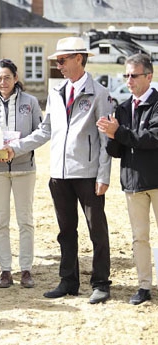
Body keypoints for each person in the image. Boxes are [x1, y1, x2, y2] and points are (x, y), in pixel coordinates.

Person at [5, 37, 113, 304]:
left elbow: (105, 141)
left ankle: (101, 283)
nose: (59, 65)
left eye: (62, 60)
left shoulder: (99, 94)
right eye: (57, 61)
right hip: (59, 175)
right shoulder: (55, 92)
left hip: (88, 175)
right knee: (66, 231)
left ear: (79, 58)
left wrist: (103, 175)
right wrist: (16, 147)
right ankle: (68, 281)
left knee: (96, 230)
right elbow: (45, 131)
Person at [97, 53, 158, 305]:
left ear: (149, 76)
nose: (129, 80)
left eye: (133, 75)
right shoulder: (121, 108)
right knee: (138, 237)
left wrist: (119, 132)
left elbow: (152, 138)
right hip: (133, 182)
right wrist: (111, 138)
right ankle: (144, 286)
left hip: (156, 180)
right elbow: (117, 151)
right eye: (126, 75)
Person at [0, 59, 43, 289]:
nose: (3, 82)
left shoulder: (31, 102)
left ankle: (26, 269)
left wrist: (18, 148)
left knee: (25, 220)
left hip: (24, 168)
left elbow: (42, 132)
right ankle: (5, 270)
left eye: (7, 77)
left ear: (16, 78)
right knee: (0, 220)